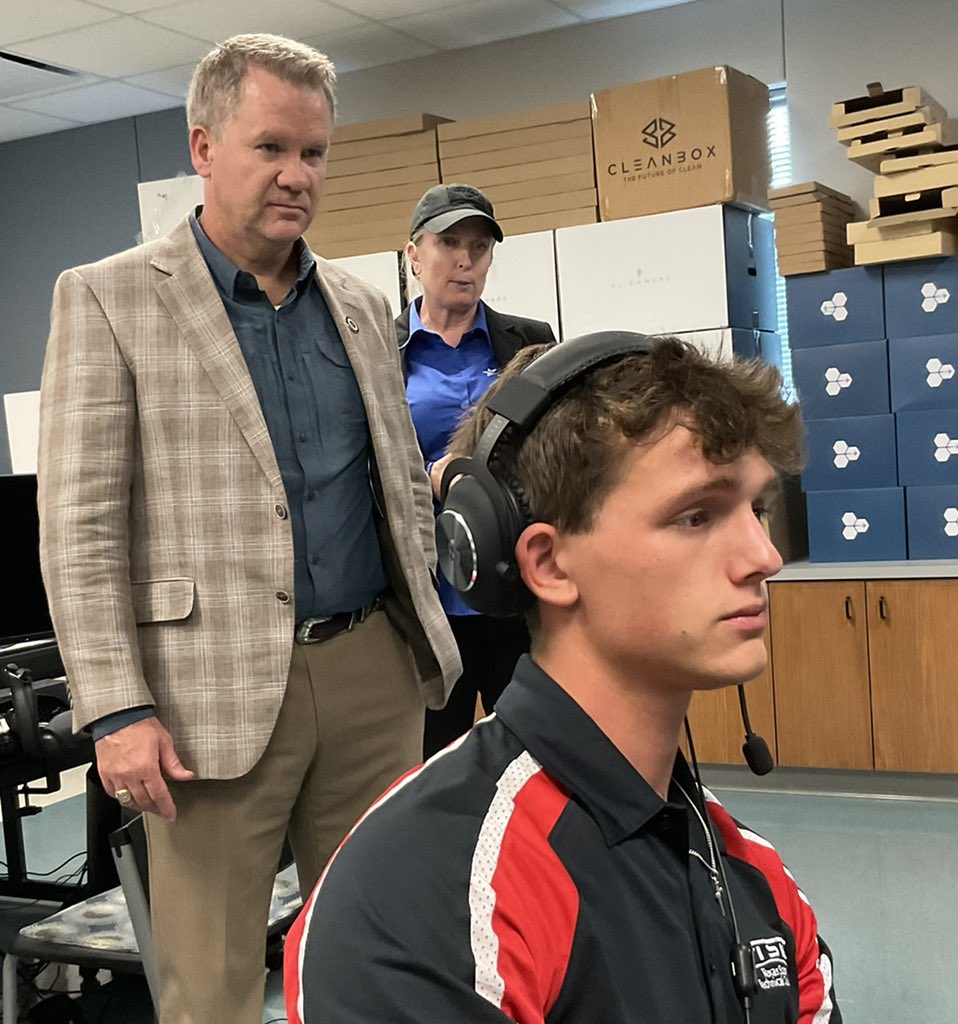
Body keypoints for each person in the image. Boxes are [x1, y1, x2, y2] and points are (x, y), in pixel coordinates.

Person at [37, 32, 460, 1024]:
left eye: (314, 153)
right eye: (271, 147)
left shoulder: (358, 306)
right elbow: (81, 528)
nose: (296, 176)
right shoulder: (107, 300)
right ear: (204, 146)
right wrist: (113, 709)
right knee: (212, 980)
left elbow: (396, 487)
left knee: (382, 944)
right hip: (202, 701)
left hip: (369, 673)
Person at [284, 333, 843, 1024]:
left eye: (756, 510)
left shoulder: (759, 884)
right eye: (696, 515)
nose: (764, 556)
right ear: (548, 565)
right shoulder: (421, 892)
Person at [397, 183, 556, 757]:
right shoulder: (382, 352)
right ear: (414, 254)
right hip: (428, 599)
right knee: (433, 759)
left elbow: (557, 445)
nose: (465, 260)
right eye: (448, 243)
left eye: (480, 246)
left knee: (534, 749)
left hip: (513, 585)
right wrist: (433, 477)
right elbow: (366, 462)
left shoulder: (531, 341)